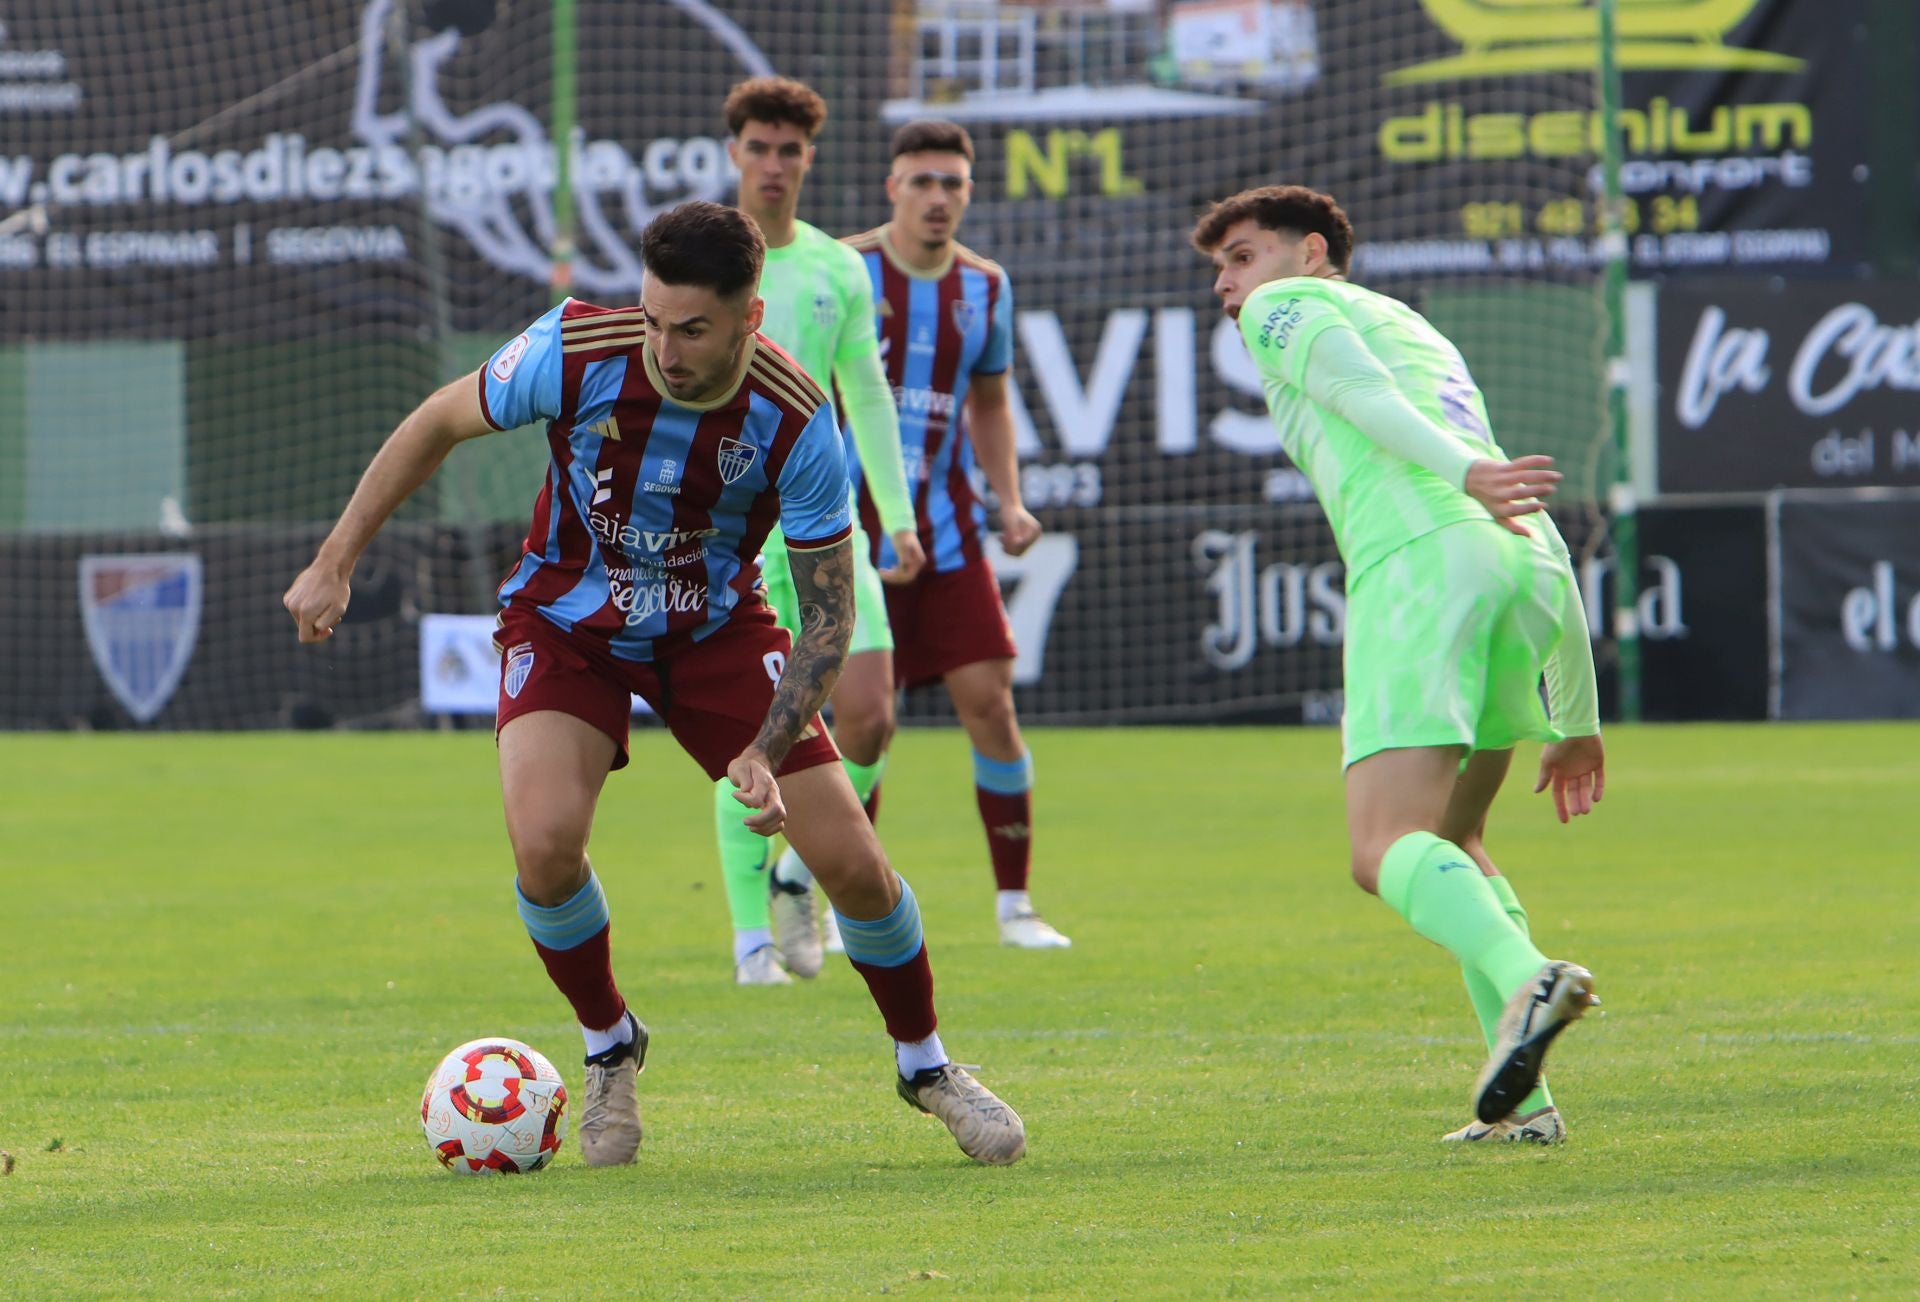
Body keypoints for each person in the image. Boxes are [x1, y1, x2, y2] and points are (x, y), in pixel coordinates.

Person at [283, 201, 1026, 1167]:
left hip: (714, 636)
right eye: (653, 320)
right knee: (545, 845)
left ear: (749, 320)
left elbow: (831, 613)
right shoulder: (574, 348)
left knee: (851, 862)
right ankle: (608, 1044)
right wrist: (336, 561)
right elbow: (436, 420)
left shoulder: (797, 420)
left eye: (692, 329)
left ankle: (925, 1064)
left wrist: (762, 750)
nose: (665, 350)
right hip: (565, 626)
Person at [1191, 184, 1604, 1143]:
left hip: (1424, 559)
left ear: (1312, 252)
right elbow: (1519, 504)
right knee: (1454, 841)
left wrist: (1460, 478)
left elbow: (1361, 401)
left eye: (1243, 257)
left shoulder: (1288, 308)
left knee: (1382, 850)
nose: (1228, 284)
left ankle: (1526, 980)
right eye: (1219, 269)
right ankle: (1527, 1112)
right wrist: (1577, 717)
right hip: (1522, 561)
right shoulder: (1415, 326)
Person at [824, 118, 1070, 950]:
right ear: (891, 187)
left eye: (953, 183)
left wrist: (1010, 499)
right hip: (847, 535)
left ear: (969, 192)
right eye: (922, 181)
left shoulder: (986, 287)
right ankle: (834, 899)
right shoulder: (843, 270)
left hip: (951, 532)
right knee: (858, 723)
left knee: (992, 704)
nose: (938, 197)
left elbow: (991, 402)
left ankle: (1016, 906)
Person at [713, 76, 924, 985]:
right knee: (748, 726)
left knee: (872, 713)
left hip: (825, 523)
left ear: (809, 158)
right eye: (758, 147)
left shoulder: (841, 268)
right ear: (734, 154)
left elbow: (866, 393)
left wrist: (900, 514)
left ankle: (801, 875)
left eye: (788, 150)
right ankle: (751, 937)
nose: (773, 164)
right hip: (732, 529)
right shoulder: (709, 259)